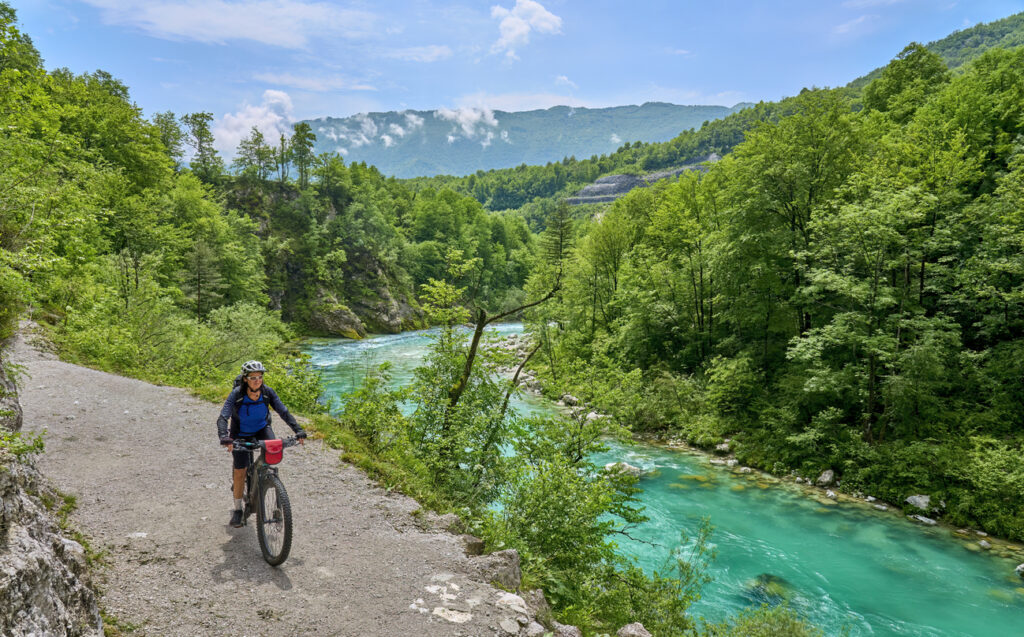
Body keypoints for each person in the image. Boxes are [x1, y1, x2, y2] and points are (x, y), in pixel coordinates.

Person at [216, 360, 306, 527]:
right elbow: (223, 417)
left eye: (260, 377)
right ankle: (237, 510)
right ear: (245, 379)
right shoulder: (237, 394)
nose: (257, 380)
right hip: (240, 434)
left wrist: (298, 430)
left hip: (262, 429)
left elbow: (283, 412)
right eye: (253, 377)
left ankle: (269, 481)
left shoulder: (267, 393)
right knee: (240, 469)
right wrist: (225, 437)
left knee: (272, 454)